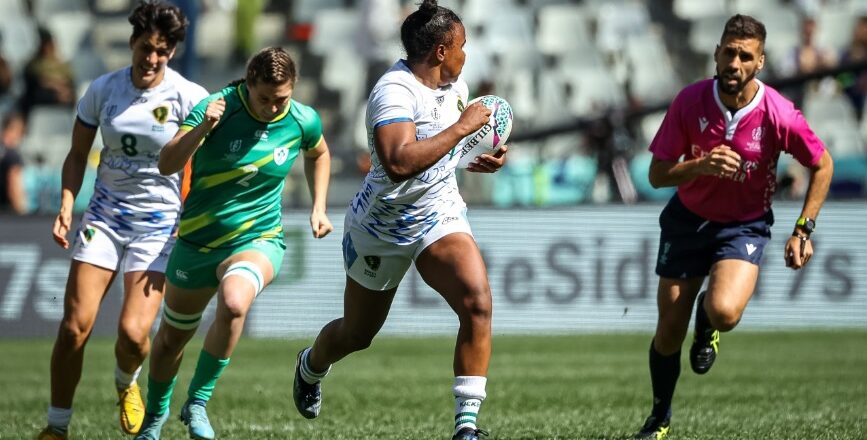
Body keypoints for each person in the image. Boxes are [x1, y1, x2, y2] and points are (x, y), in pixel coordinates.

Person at [292, 2, 507, 440]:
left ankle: (466, 425)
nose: (466, 53)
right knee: (357, 334)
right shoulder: (393, 91)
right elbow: (398, 164)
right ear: (442, 50)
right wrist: (462, 129)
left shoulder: (457, 86)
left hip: (438, 212)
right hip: (382, 227)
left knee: (477, 303)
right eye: (462, 45)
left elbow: (444, 151)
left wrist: (478, 157)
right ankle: (311, 365)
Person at [633, 14, 833, 439]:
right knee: (668, 332)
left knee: (724, 312)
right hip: (688, 221)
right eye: (729, 53)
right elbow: (657, 174)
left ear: (760, 62)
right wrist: (701, 165)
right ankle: (659, 418)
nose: (735, 63)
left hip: (743, 226)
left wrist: (803, 229)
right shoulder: (689, 101)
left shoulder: (779, 113)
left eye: (745, 56)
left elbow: (823, 164)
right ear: (716, 53)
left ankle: (707, 323)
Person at [134, 46, 333, 440]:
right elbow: (167, 164)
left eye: (282, 99)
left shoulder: (302, 119)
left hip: (258, 238)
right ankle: (154, 417)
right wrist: (202, 129)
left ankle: (197, 402)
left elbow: (320, 153)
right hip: (198, 242)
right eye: (265, 99)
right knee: (172, 339)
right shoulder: (217, 107)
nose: (273, 108)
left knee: (234, 302)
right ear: (248, 84)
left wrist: (319, 207)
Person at [37, 2, 208, 439]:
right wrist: (66, 203)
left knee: (133, 335)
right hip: (105, 218)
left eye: (163, 51)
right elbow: (78, 154)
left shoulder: (189, 96)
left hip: (159, 226)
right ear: (132, 42)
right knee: (74, 328)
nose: (152, 58)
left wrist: (195, 212)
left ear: (172, 52)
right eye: (146, 47)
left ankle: (125, 381)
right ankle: (56, 427)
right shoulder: (103, 89)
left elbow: (205, 163)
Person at [19, 26, 76, 118]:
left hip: (63, 98)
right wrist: (55, 86)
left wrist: (62, 88)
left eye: (50, 43)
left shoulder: (62, 64)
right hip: (42, 98)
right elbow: (36, 82)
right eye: (45, 44)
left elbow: (69, 81)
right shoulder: (33, 64)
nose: (49, 47)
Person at [0, 111, 27, 214]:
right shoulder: (12, 155)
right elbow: (13, 186)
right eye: (21, 132)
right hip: (7, 213)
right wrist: (21, 212)